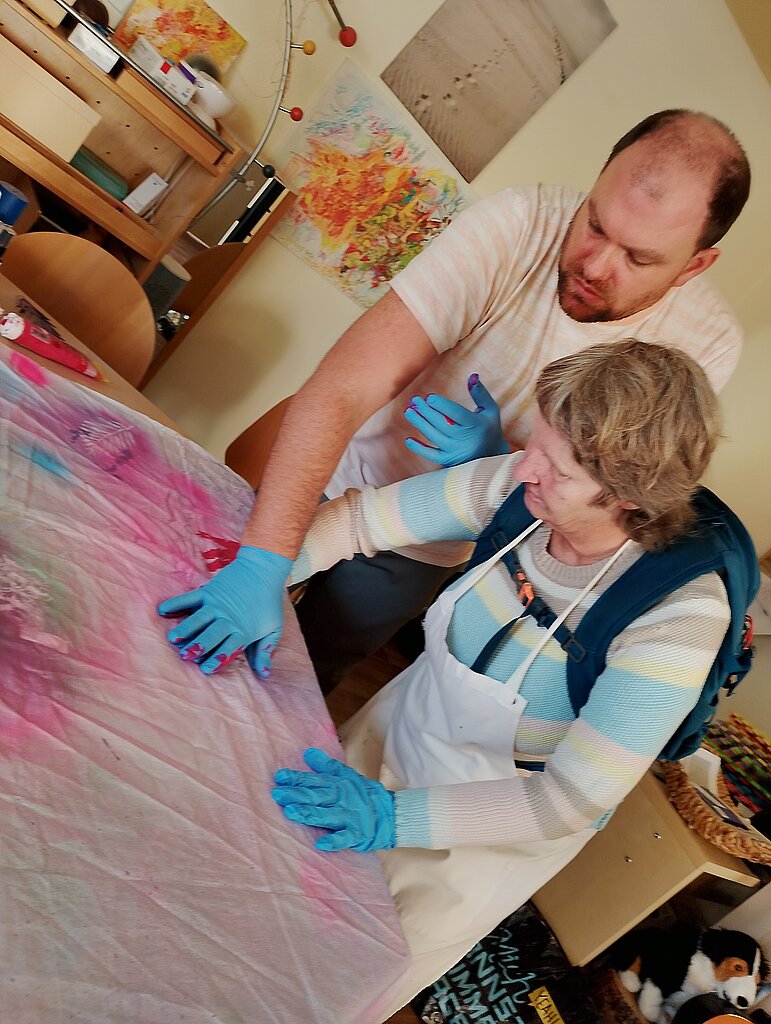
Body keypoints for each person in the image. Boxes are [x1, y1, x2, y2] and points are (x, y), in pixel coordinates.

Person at [157, 109, 750, 690]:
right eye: (594, 224)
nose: (594, 265)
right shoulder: (518, 223)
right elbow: (344, 386)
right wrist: (264, 561)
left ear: (694, 265)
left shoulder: (703, 348)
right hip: (335, 470)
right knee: (191, 612)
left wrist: (497, 468)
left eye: (638, 258)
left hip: (427, 539)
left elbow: (601, 506)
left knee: (297, 677)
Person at [270, 339, 731, 1019]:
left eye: (556, 467)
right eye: (535, 442)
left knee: (321, 985)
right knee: (269, 893)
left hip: (486, 833)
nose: (524, 467)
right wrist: (259, 577)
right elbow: (361, 520)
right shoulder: (519, 486)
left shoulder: (678, 617)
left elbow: (568, 799)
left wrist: (393, 819)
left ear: (628, 498)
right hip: (393, 735)